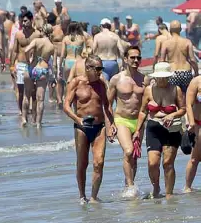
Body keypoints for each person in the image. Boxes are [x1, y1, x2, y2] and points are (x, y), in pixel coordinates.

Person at [63, 55, 116, 204]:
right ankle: (82, 195)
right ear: (88, 68)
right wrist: (78, 119)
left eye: (101, 69)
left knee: (99, 162)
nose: (100, 72)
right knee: (82, 163)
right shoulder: (76, 83)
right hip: (82, 127)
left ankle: (93, 197)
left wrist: (112, 124)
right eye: (97, 69)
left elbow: (107, 106)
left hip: (100, 127)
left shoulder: (102, 83)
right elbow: (66, 106)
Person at [132, 62, 186, 199]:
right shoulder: (149, 90)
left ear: (169, 77)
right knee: (152, 162)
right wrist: (137, 130)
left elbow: (183, 109)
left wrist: (172, 114)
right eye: (159, 77)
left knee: (168, 163)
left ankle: (169, 194)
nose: (162, 80)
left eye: (164, 77)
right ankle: (156, 187)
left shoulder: (176, 89)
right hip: (154, 127)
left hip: (172, 129)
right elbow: (143, 111)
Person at [108, 46, 149, 193]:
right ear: (125, 59)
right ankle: (131, 187)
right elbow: (107, 104)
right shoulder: (116, 79)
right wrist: (110, 125)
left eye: (138, 57)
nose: (136, 60)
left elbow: (148, 103)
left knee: (135, 156)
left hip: (138, 122)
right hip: (122, 120)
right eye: (132, 57)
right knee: (128, 151)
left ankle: (128, 185)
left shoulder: (145, 79)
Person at [25, 24, 57, 128]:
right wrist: (53, 78)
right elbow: (54, 65)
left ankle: (24, 119)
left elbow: (26, 50)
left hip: (33, 68)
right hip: (43, 70)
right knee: (41, 99)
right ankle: (38, 123)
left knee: (27, 95)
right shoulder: (52, 46)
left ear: (42, 31)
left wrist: (28, 61)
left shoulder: (36, 41)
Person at [10, 11, 41, 116]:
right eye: (22, 21)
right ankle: (21, 111)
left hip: (34, 65)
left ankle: (34, 112)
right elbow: (15, 51)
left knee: (33, 91)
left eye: (25, 21)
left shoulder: (37, 34)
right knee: (21, 90)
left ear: (31, 20)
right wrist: (12, 65)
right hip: (21, 64)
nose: (23, 23)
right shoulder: (19, 34)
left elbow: (41, 50)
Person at [160, 20, 198, 93]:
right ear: (180, 29)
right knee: (186, 95)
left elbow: (162, 61)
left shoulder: (166, 43)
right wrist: (196, 72)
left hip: (172, 72)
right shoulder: (187, 42)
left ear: (170, 30)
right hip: (185, 72)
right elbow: (192, 60)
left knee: (173, 95)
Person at [184, 76, 201, 192]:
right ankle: (187, 187)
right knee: (195, 159)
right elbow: (188, 104)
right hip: (198, 124)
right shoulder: (196, 82)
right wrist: (190, 122)